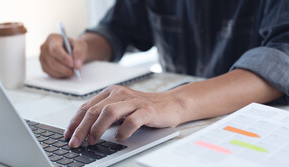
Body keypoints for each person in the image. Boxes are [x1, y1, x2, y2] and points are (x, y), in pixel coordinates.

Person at [40, 0, 289, 148]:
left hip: (251, 131)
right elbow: (115, 28)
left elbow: (282, 55)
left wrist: (176, 101)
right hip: (171, 129)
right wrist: (80, 48)